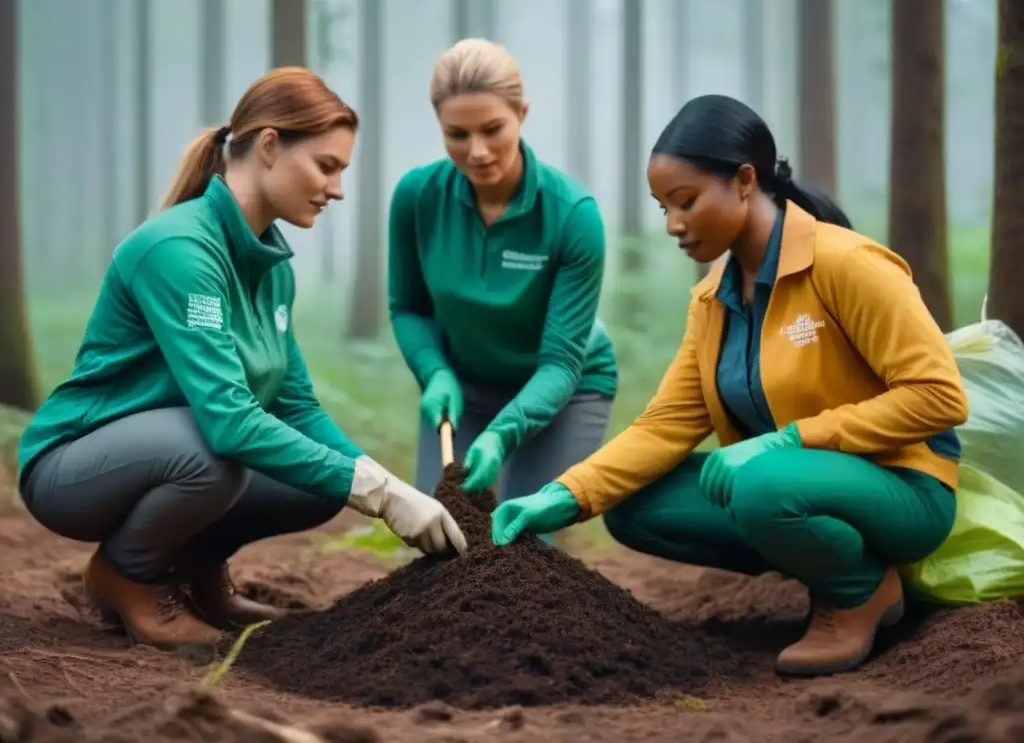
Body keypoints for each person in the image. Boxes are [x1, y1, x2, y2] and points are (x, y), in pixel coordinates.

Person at [490, 94, 969, 676]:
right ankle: (824, 561)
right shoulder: (712, 300)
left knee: (761, 483)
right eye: (663, 207)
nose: (672, 225)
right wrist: (563, 495)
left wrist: (787, 441)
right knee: (632, 506)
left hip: (905, 488)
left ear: (744, 181)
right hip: (789, 486)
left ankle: (859, 590)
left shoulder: (847, 265)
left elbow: (940, 396)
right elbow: (664, 426)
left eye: (685, 202)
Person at [16, 67, 467, 651]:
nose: (337, 190)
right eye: (326, 166)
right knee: (216, 450)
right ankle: (127, 573)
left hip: (179, 450)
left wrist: (382, 485)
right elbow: (228, 419)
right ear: (271, 145)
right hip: (71, 467)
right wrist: (379, 494)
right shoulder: (179, 250)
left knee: (319, 480)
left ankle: (195, 573)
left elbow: (297, 406)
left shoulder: (269, 268)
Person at [387, 38, 618, 505]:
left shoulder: (573, 215)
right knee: (439, 528)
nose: (477, 151)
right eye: (457, 134)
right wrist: (434, 373)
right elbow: (407, 307)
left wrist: (504, 432)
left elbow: (560, 363)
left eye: (493, 129)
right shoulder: (417, 197)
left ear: (522, 114)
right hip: (463, 388)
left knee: (523, 545)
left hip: (565, 392)